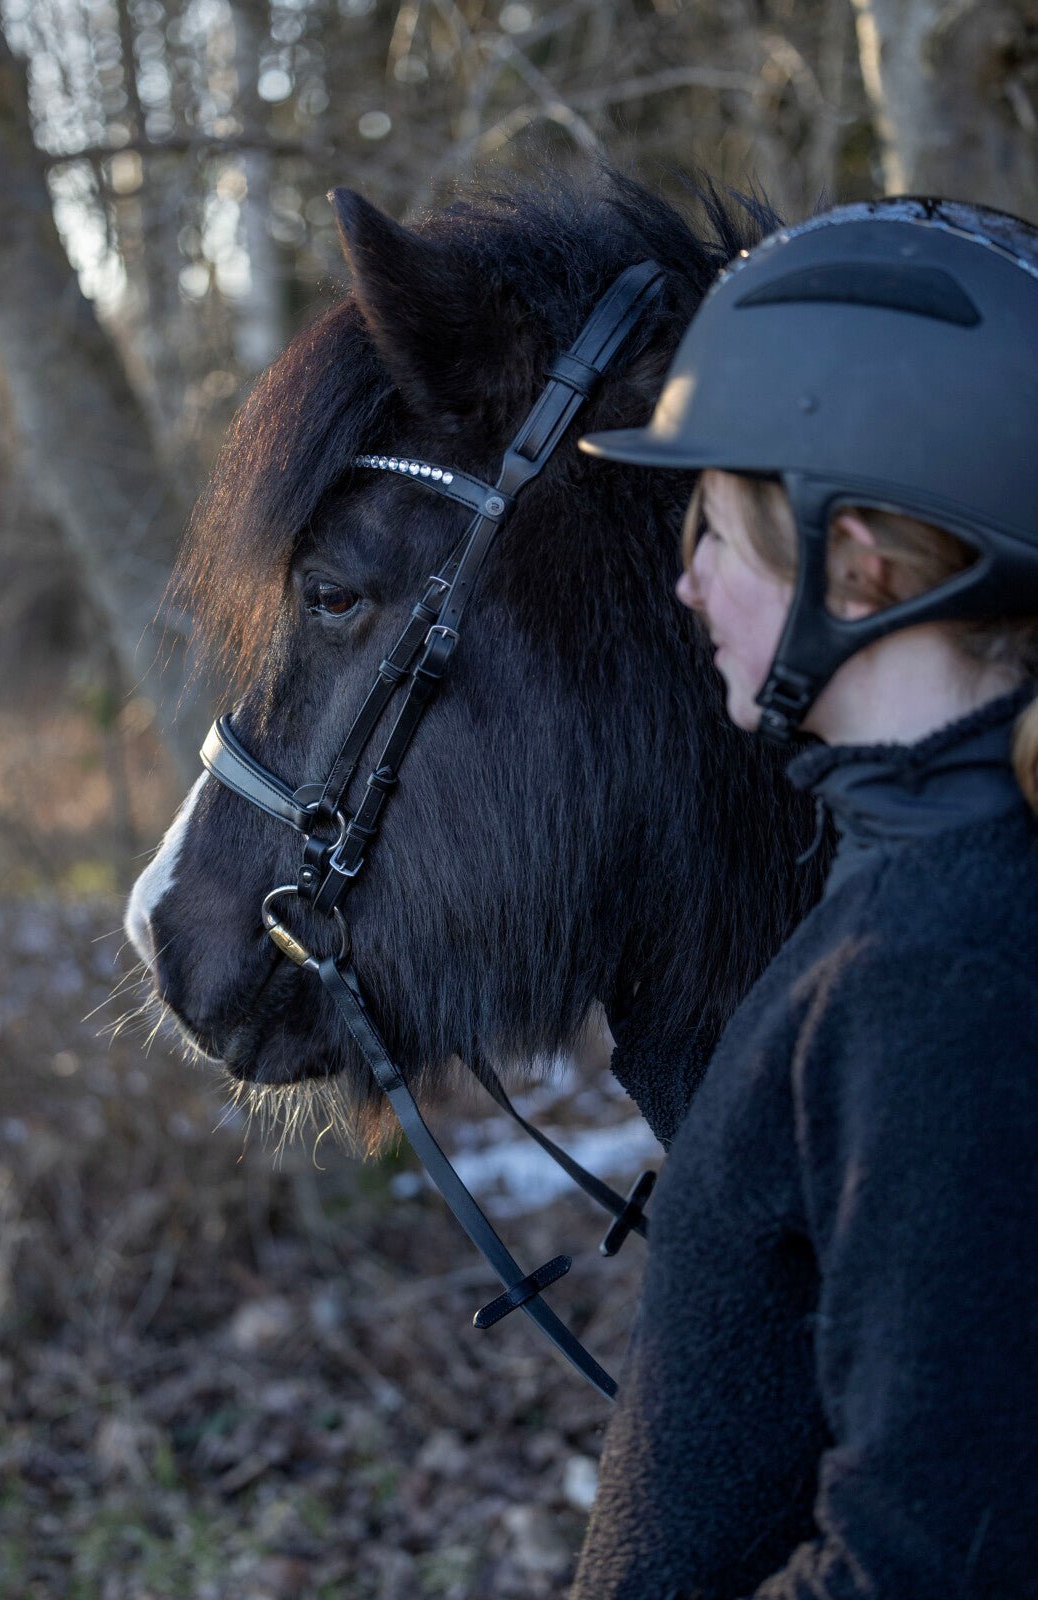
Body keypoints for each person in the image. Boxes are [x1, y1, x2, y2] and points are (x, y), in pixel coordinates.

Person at [570, 197, 1038, 1598]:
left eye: (713, 529)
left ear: (857, 565)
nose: (685, 583)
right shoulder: (917, 871)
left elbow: (938, 1560)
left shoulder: (940, 965)